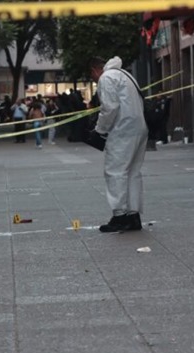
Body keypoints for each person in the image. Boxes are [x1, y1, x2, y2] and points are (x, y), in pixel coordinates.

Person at [88, 56, 148, 233]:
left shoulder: (106, 78)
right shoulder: (126, 75)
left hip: (122, 130)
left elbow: (109, 108)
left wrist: (99, 130)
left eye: (91, 75)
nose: (93, 79)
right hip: (138, 128)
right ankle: (133, 215)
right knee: (133, 173)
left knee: (115, 172)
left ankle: (119, 216)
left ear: (94, 70)